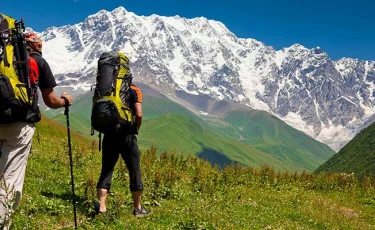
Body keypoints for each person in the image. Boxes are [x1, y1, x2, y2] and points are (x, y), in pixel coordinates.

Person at [0, 31, 73, 228]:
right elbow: (51, 100)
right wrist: (65, 101)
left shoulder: (3, 59)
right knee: (11, 179)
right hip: (20, 125)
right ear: (36, 46)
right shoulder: (37, 62)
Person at [95, 81, 151, 217]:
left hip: (109, 135)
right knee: (134, 170)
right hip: (127, 135)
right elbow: (139, 115)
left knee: (106, 170)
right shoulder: (134, 89)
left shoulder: (105, 89)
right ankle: (137, 208)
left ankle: (102, 207)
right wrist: (135, 128)